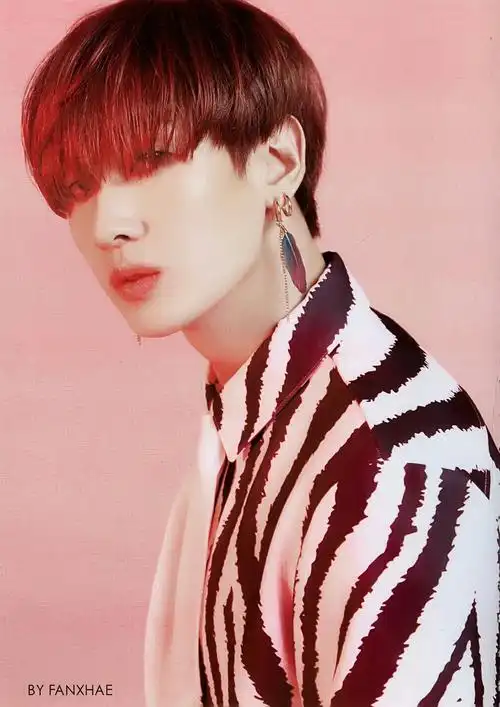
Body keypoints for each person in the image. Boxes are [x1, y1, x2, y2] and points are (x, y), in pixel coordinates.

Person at [20, 0, 500, 705]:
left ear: (279, 160)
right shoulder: (243, 423)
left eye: (152, 158)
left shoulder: (396, 464)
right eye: (78, 187)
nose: (108, 225)